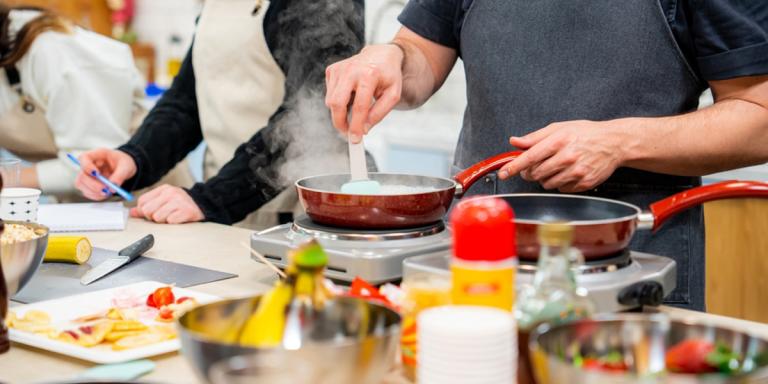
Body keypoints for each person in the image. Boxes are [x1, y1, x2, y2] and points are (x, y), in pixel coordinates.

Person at [324, 0, 768, 311]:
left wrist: (620, 141)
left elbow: (759, 118)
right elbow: (421, 54)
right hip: (476, 262)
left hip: (621, 268)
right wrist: (390, 58)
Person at [75, 0, 365, 228]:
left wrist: (210, 199)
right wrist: (134, 158)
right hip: (229, 212)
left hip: (303, 215)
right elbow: (185, 101)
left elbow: (308, 116)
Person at [0, 5, 191, 198]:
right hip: (81, 206)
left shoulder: (54, 48)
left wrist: (10, 179)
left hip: (145, 199)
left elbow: (97, 163)